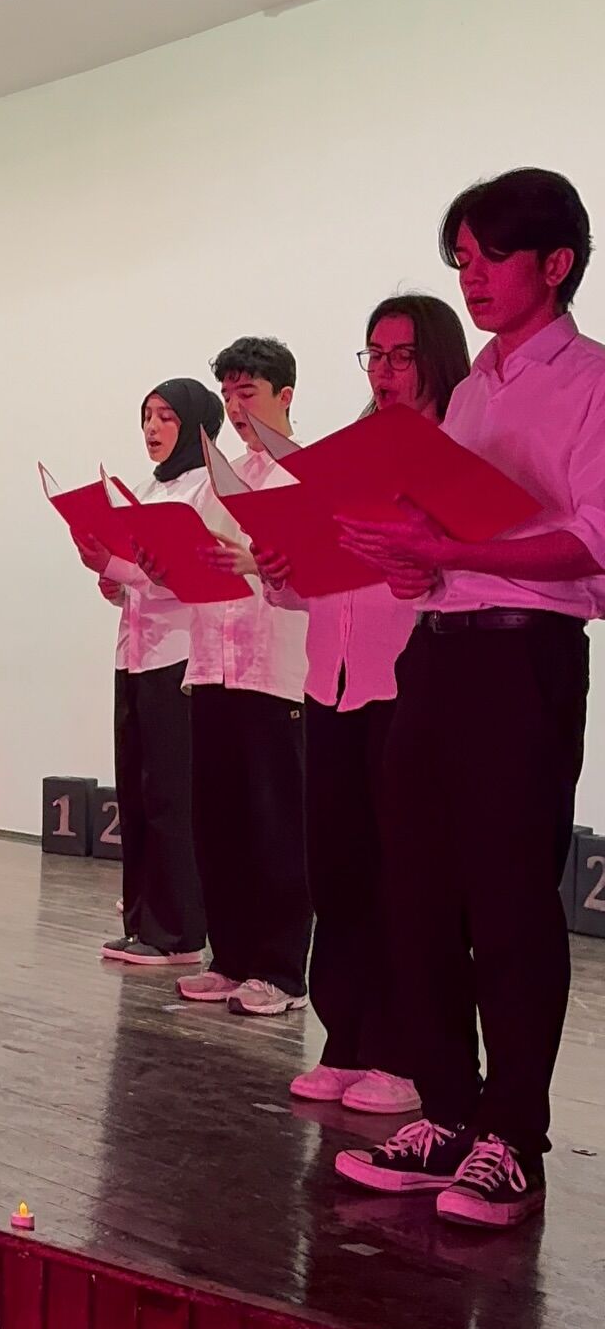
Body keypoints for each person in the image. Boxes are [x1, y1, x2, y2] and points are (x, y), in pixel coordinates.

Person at [335, 169, 605, 1227]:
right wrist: (415, 563)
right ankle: (446, 1109)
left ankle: (513, 1138)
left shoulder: (591, 381)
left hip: (525, 658)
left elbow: (593, 541)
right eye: (462, 257)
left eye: (492, 254)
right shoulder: (474, 390)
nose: (472, 275)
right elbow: (447, 537)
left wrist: (451, 551)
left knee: (509, 901)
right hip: (439, 649)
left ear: (557, 262)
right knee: (416, 888)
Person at [254, 297, 470, 1110]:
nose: (383, 371)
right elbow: (308, 590)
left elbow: (463, 571)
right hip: (331, 679)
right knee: (338, 869)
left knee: (406, 876)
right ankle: (346, 1038)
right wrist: (280, 569)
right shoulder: (344, 456)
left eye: (401, 356)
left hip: (410, 679)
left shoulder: (459, 450)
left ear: (437, 359)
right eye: (373, 355)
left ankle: (407, 1054)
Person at [166, 337, 311, 1015]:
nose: (235, 407)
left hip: (275, 669)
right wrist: (149, 562)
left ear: (284, 395)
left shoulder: (304, 475)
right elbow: (194, 563)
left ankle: (281, 971)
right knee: (218, 822)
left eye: (246, 392)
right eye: (227, 395)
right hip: (212, 664)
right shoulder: (216, 480)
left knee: (275, 825)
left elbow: (318, 566)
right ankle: (230, 958)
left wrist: (254, 561)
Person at [78, 380, 221, 966]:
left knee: (171, 795)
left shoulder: (208, 489)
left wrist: (121, 569)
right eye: (146, 417)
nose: (152, 428)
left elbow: (190, 575)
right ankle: (142, 921)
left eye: (166, 417)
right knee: (136, 792)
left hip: (180, 655)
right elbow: (137, 580)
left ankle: (179, 932)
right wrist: (113, 581)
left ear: (195, 424)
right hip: (133, 653)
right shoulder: (141, 491)